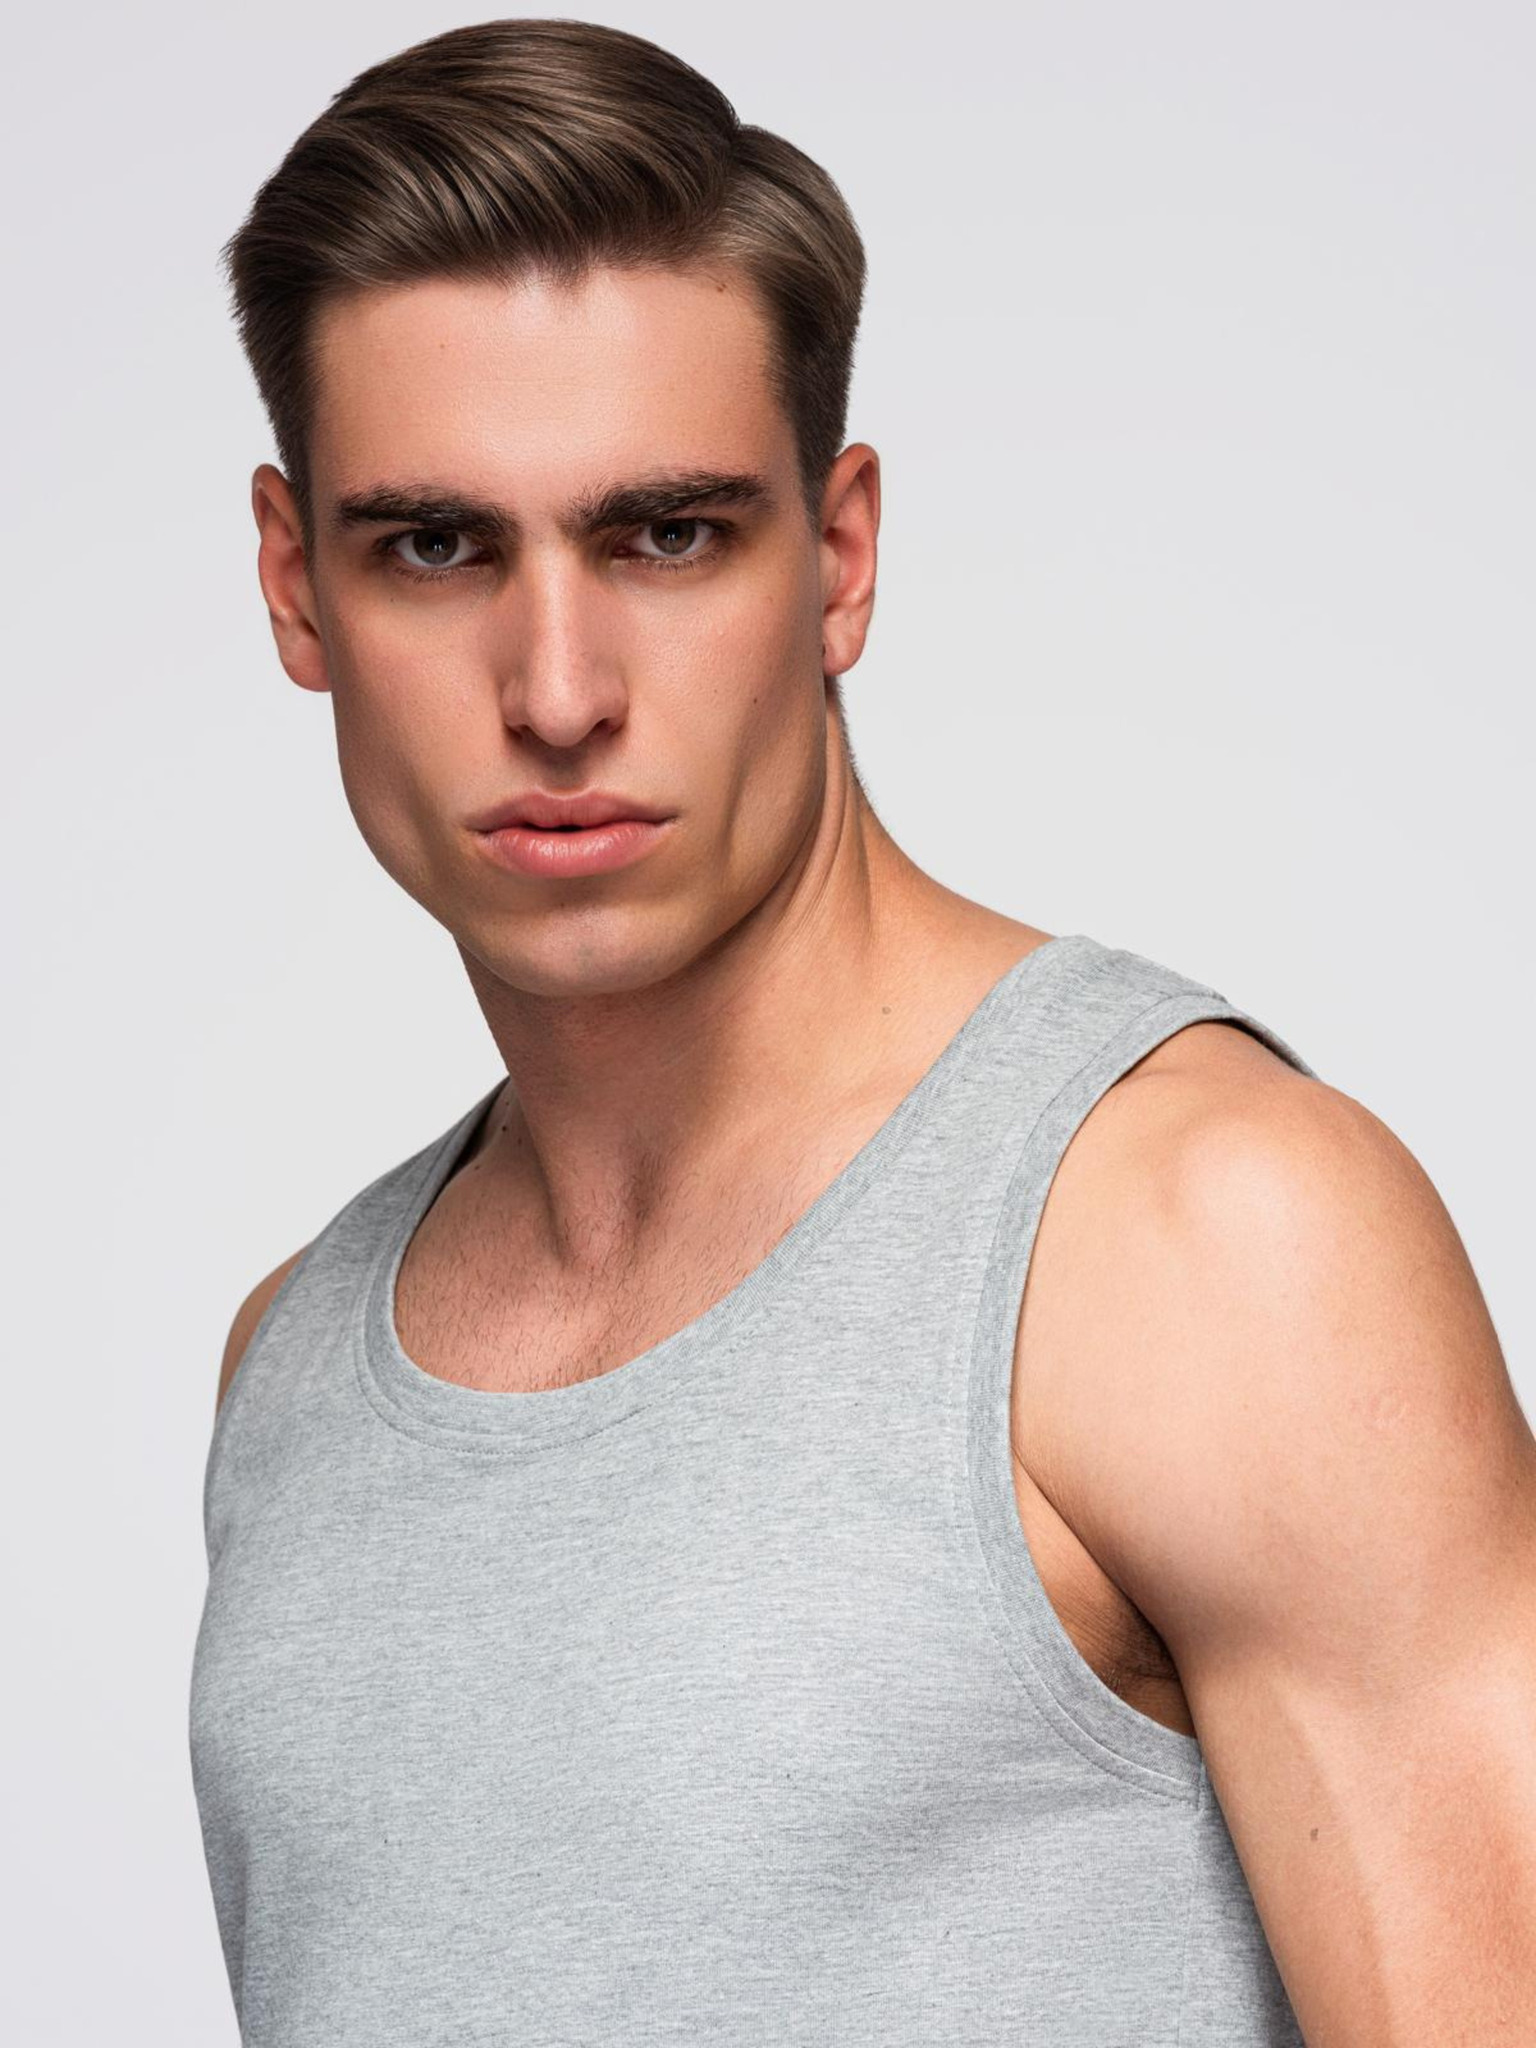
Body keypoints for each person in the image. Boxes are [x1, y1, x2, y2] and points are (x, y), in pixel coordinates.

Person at [188, 18, 1535, 2045]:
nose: (558, 689)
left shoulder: (1201, 1237)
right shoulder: (291, 1367)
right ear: (298, 586)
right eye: (437, 548)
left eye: (665, 535)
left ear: (841, 558)